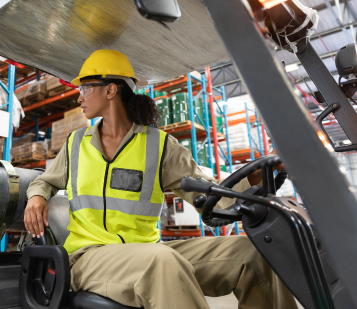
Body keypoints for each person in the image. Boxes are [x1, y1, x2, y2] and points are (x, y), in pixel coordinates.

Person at [24, 50, 296, 309]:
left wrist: (266, 170)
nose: (79, 97)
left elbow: (212, 195)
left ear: (110, 90)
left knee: (254, 252)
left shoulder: (161, 146)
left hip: (147, 251)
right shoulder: (75, 144)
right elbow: (44, 181)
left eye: (84, 88)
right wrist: (36, 196)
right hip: (89, 256)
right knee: (161, 260)